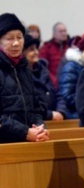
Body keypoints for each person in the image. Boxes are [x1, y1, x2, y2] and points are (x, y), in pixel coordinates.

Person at [0, 13, 49, 143]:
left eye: (19, 37)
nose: (16, 43)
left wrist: (40, 128)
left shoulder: (24, 69)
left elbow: (36, 108)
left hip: (26, 142)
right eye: (9, 38)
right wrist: (25, 132)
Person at [23, 34, 65, 121]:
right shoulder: (22, 74)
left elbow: (58, 93)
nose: (36, 52)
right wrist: (50, 114)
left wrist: (61, 111)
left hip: (55, 119)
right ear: (22, 53)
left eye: (36, 49)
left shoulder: (44, 71)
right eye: (31, 50)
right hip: (37, 122)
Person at [39, 21, 69, 88]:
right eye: (61, 31)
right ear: (54, 34)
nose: (64, 33)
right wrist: (53, 80)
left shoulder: (69, 48)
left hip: (67, 82)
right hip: (52, 84)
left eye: (65, 31)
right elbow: (42, 67)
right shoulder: (46, 48)